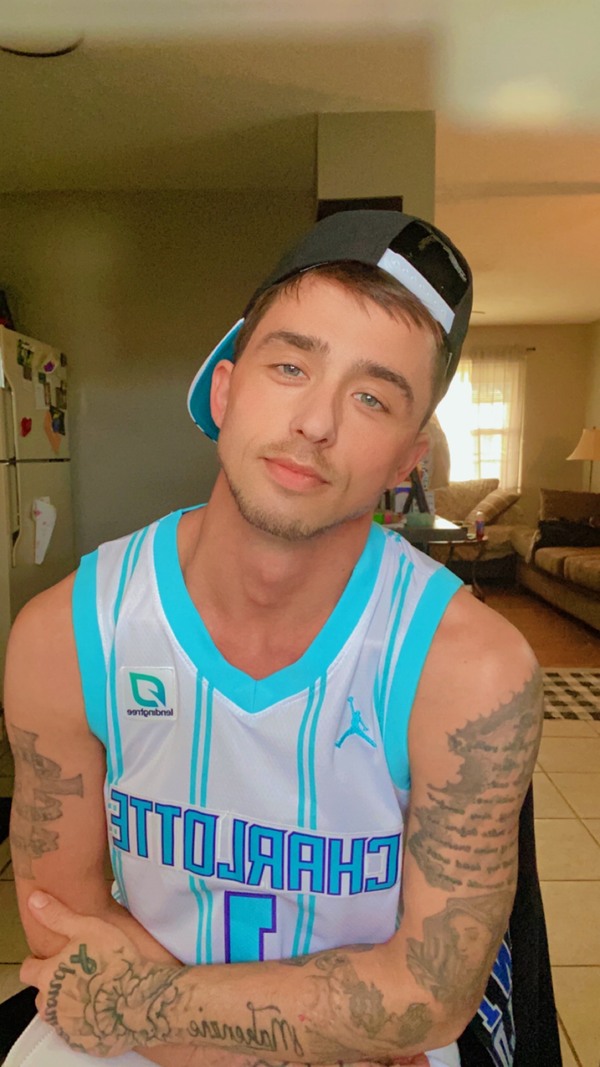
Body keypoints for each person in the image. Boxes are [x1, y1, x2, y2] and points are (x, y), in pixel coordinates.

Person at [4, 210, 544, 1067]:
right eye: (291, 365)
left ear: (406, 460)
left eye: (372, 397)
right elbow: (60, 925)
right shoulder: (64, 636)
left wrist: (141, 1002)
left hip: (133, 1008)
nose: (317, 421)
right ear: (224, 390)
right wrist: (325, 1035)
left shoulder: (475, 670)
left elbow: (429, 996)